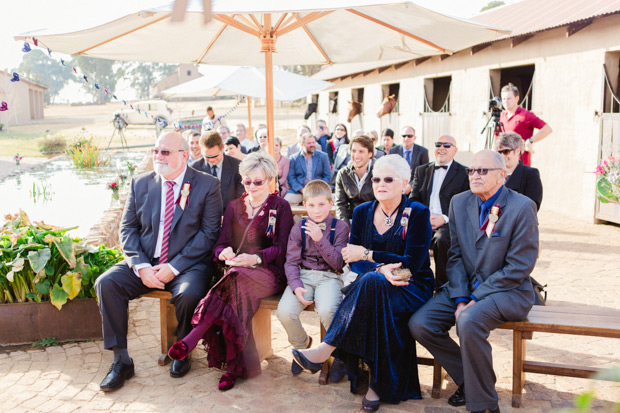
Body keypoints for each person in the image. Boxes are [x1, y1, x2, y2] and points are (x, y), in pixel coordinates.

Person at [292, 155, 435, 411]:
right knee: (373, 284)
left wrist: (369, 255)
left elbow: (410, 264)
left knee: (370, 283)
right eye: (376, 178)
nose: (380, 183)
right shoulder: (361, 212)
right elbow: (352, 261)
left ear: (405, 184)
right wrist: (379, 268)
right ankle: (376, 385)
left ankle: (327, 348)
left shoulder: (418, 213)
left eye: (388, 179)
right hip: (376, 287)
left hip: (411, 286)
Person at [409, 150, 539, 413]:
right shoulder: (459, 202)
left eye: (483, 170)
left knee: (468, 320)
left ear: (502, 175)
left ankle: (485, 405)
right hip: (464, 287)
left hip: (508, 290)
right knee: (420, 324)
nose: (475, 175)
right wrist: (460, 297)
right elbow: (454, 255)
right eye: (471, 170)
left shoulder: (522, 207)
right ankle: (471, 380)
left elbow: (519, 267)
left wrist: (474, 299)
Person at [95, 132, 223, 391]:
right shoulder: (140, 183)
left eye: (165, 152)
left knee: (188, 295)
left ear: (184, 155)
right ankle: (121, 360)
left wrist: (173, 267)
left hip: (188, 265)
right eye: (156, 151)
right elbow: (127, 229)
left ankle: (183, 349)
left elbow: (209, 233)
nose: (158, 156)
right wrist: (140, 266)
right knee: (106, 283)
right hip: (146, 262)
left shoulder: (207, 185)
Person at [168, 153, 294, 391]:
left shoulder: (281, 206)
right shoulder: (235, 207)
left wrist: (255, 257)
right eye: (247, 181)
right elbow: (218, 244)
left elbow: (283, 247)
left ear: (269, 180)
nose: (252, 186)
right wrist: (224, 252)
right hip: (237, 276)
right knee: (235, 293)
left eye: (258, 182)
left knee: (234, 280)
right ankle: (236, 368)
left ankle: (192, 338)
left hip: (269, 273)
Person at [276, 180, 349, 381]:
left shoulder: (341, 227)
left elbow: (338, 263)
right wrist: (296, 286)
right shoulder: (298, 227)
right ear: (305, 205)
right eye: (311, 205)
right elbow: (291, 262)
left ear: (331, 203)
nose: (316, 211)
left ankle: (337, 356)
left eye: (321, 205)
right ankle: (302, 347)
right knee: (284, 312)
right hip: (303, 276)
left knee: (328, 311)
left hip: (330, 277)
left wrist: (319, 238)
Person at [410, 135, 469, 287]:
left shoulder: (464, 173)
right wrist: (425, 216)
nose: (442, 148)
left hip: (449, 221)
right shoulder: (421, 171)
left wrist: (444, 218)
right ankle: (418, 284)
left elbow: (466, 203)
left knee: (442, 239)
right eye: (438, 144)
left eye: (447, 145)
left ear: (455, 151)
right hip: (423, 220)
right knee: (407, 236)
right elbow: (414, 199)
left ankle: (442, 287)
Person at [190, 130, 244, 214]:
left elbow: (241, 198)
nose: (211, 159)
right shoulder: (193, 168)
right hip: (203, 218)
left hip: (231, 216)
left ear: (222, 148)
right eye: (207, 156)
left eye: (215, 155)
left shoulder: (238, 166)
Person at [500, 83, 552, 166]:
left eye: (509, 98)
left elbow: (547, 129)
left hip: (521, 164)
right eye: (503, 99)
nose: (506, 101)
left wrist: (530, 141)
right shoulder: (501, 116)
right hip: (504, 164)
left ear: (517, 98)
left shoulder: (526, 115)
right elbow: (496, 141)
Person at [334, 135, 376, 225]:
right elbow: (340, 204)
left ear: (370, 154)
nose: (356, 155)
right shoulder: (343, 173)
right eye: (353, 151)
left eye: (361, 151)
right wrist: (345, 227)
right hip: (352, 220)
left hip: (374, 221)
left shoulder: (379, 172)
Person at [495, 132, 543, 210]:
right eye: (499, 152)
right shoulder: (494, 174)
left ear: (517, 151)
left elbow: (532, 207)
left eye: (506, 152)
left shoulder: (530, 174)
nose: (502, 156)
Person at [285, 132, 332, 206]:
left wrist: (317, 188)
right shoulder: (294, 158)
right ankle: (299, 218)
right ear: (302, 144)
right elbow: (291, 178)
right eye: (309, 143)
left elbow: (328, 176)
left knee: (329, 203)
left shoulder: (323, 156)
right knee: (286, 202)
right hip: (300, 191)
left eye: (313, 142)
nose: (312, 145)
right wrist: (302, 190)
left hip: (319, 190)